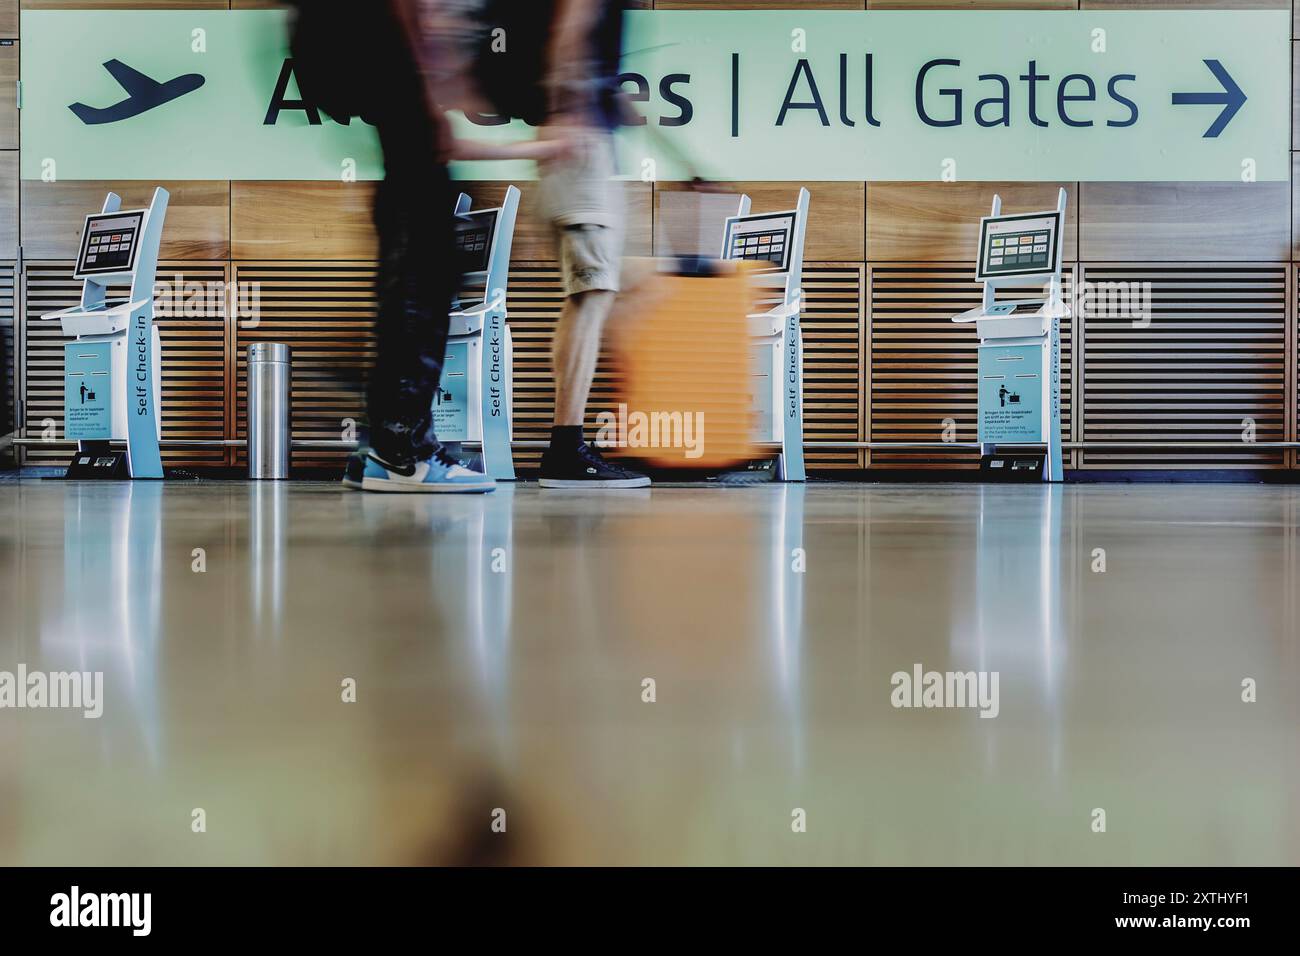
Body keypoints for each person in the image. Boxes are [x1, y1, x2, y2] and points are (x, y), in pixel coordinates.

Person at [289, 0, 562, 493]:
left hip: (396, 106)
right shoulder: (398, 51)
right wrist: (425, 87)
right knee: (423, 275)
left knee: (411, 275)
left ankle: (385, 449)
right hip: (401, 97)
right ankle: (402, 453)